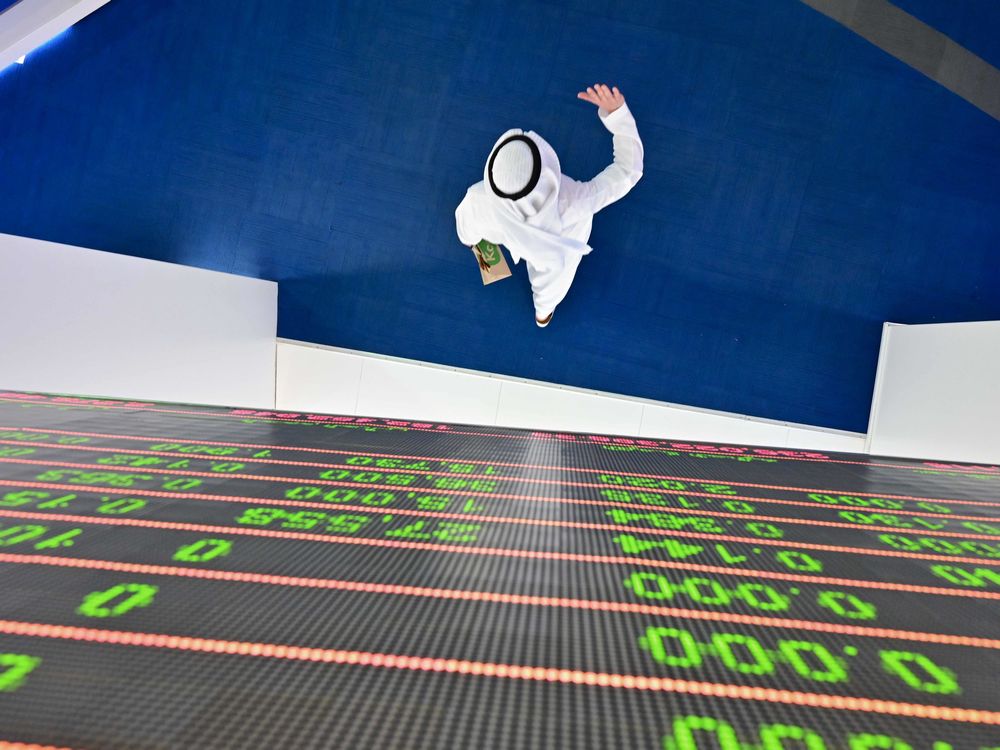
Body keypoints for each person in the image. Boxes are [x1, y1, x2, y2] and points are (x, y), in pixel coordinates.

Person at [455, 84, 643, 327]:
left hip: (500, 230)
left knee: (470, 229)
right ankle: (542, 315)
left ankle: (541, 310)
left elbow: (465, 224)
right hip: (556, 251)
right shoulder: (574, 201)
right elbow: (628, 171)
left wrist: (470, 241)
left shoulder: (480, 198)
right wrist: (618, 115)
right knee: (549, 290)